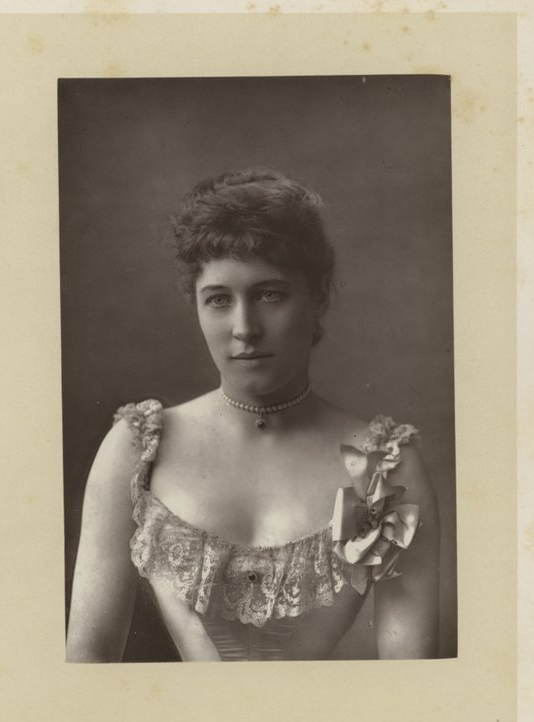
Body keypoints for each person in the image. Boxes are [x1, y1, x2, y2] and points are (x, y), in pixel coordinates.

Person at [66, 167, 440, 663]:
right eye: (219, 300)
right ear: (196, 306)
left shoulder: (385, 465)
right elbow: (88, 662)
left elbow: (412, 682)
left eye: (270, 295)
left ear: (318, 297)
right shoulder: (138, 448)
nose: (244, 328)